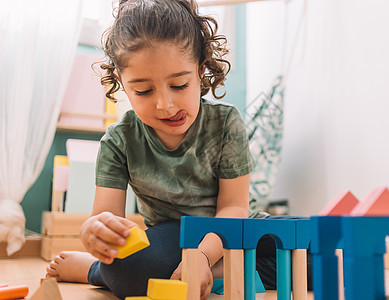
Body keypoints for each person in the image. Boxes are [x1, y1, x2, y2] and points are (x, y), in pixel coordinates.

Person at [45, 0, 286, 299]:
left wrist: (202, 258)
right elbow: (106, 217)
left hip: (231, 230)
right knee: (131, 267)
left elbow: (234, 209)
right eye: (144, 91)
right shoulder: (118, 142)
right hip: (173, 236)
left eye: (180, 85)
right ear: (122, 83)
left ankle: (218, 270)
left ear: (200, 70)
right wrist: (93, 232)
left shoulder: (226, 123)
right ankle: (94, 269)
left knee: (315, 254)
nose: (165, 105)